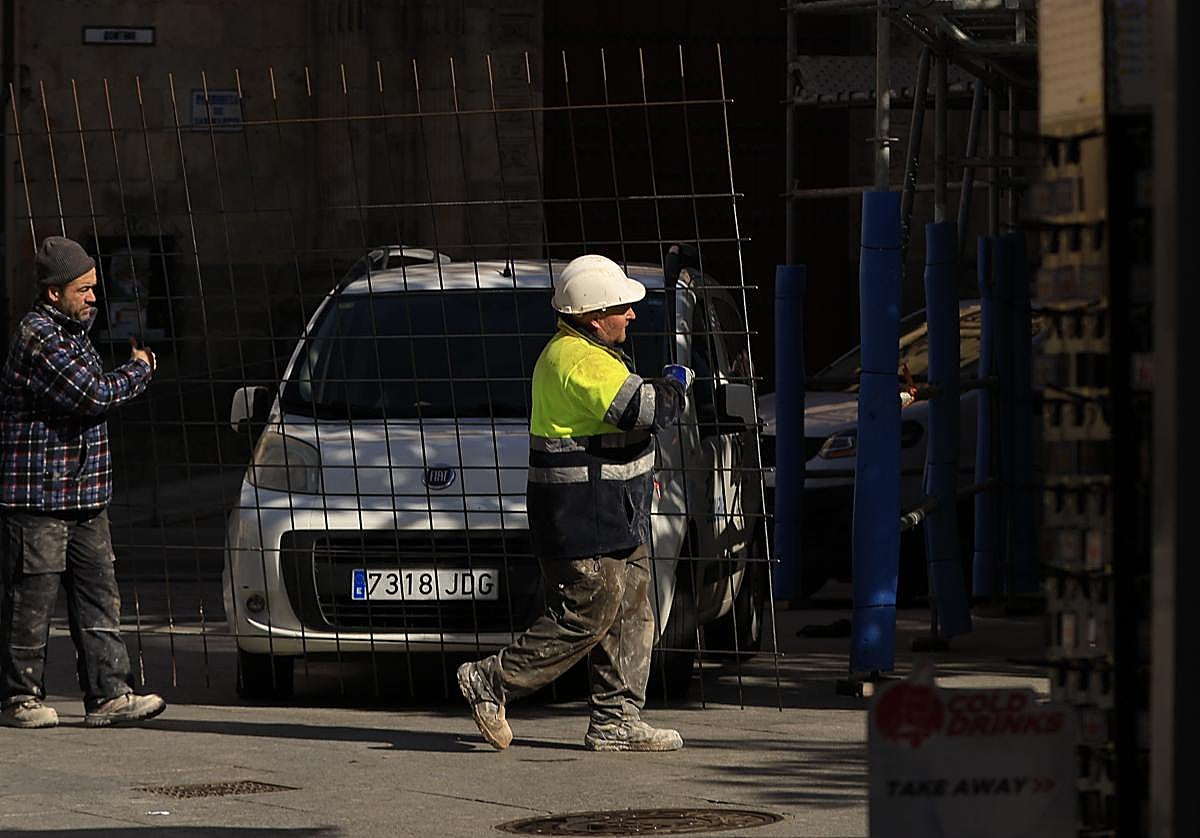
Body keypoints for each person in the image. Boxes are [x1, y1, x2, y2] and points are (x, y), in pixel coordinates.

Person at [457, 253, 694, 752]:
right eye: (622, 307)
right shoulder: (578, 360)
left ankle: (616, 721)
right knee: (585, 614)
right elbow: (644, 410)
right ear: (592, 316)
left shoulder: (589, 354)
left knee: (632, 611)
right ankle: (492, 680)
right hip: (583, 517)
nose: (632, 314)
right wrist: (674, 385)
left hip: (611, 512)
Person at [0, 235, 165, 728]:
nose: (94, 297)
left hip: (85, 496)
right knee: (30, 602)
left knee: (99, 596)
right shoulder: (39, 337)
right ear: (54, 292)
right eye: (83, 289)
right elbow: (91, 396)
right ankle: (18, 698)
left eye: (95, 287)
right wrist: (139, 369)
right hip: (40, 497)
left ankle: (109, 693)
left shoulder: (73, 334)